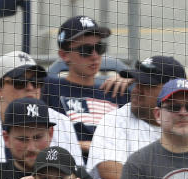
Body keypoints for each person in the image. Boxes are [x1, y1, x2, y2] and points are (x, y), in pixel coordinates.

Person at [0, 51, 83, 178]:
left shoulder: (61, 122)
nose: (30, 87)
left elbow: (77, 177)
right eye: (20, 82)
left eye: (36, 81)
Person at [41, 15, 127, 156]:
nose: (94, 56)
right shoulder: (49, 88)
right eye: (85, 50)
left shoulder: (117, 92)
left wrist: (134, 78)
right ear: (64, 55)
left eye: (99, 48)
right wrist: (79, 145)